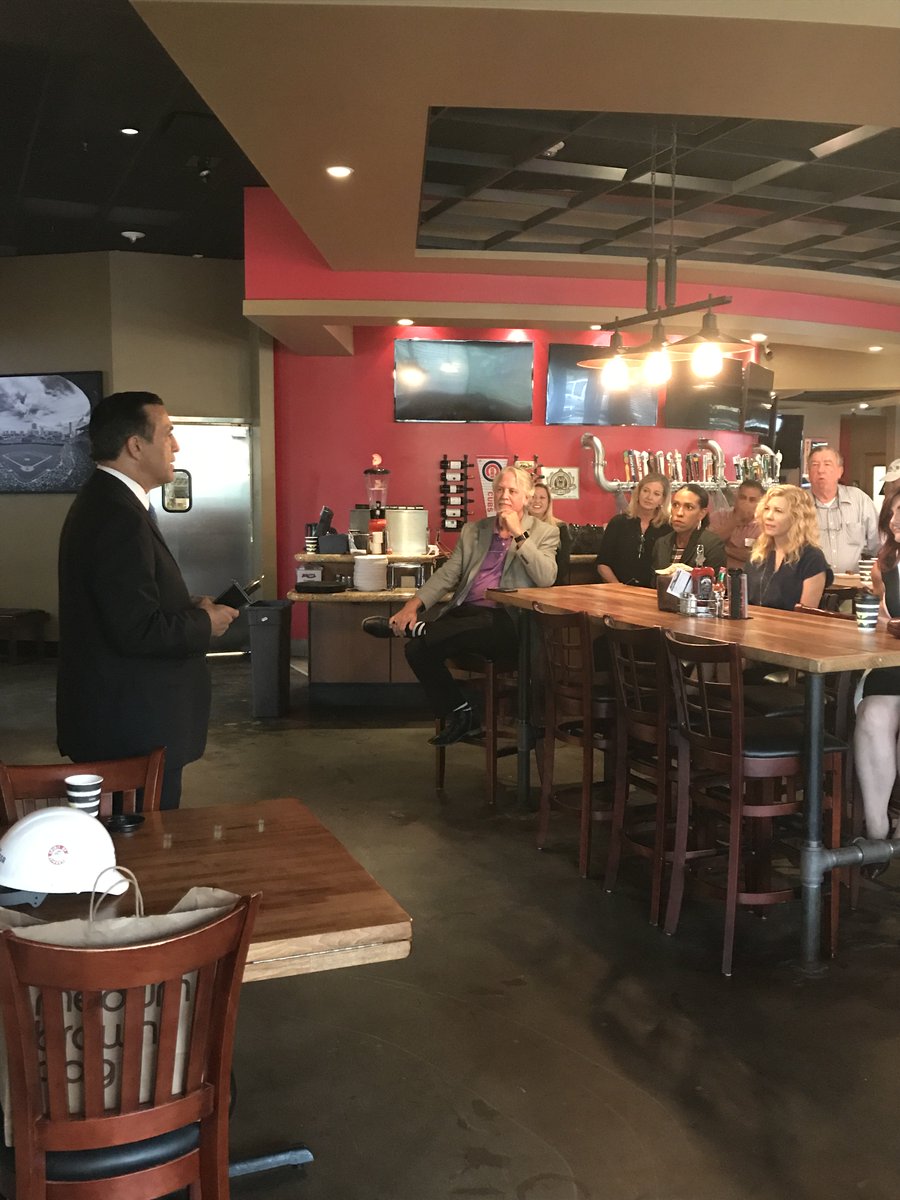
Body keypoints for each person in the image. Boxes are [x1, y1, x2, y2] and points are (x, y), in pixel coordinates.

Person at [56, 392, 238, 810]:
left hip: (130, 724)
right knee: (142, 842)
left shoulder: (112, 502)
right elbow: (136, 630)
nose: (176, 446)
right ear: (135, 446)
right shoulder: (116, 514)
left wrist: (186, 605)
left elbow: (124, 600)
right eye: (168, 433)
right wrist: (205, 623)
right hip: (129, 731)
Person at [362, 466, 559, 745]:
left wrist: (519, 534)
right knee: (416, 649)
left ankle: (420, 630)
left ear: (527, 498)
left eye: (513, 491)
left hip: (510, 623)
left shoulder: (545, 532)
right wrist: (412, 606)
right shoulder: (474, 531)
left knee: (481, 622)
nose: (504, 495)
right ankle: (463, 712)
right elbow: (447, 575)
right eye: (500, 489)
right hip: (467, 616)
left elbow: (546, 577)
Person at [853, 490, 900, 851]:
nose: (895, 521)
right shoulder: (888, 564)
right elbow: (885, 619)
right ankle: (877, 831)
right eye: (893, 513)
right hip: (891, 666)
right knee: (872, 714)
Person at [745, 484, 831, 610]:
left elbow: (806, 616)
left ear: (796, 517)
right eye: (767, 509)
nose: (769, 516)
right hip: (754, 621)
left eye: (778, 511)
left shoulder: (812, 558)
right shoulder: (758, 552)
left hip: (792, 623)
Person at [806, 445, 879, 573]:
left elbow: (878, 544)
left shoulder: (859, 500)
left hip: (854, 581)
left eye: (827, 464)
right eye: (815, 465)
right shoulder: (798, 503)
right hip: (811, 582)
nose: (820, 470)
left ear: (840, 471)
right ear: (808, 472)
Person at [595, 472, 672, 587]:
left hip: (651, 592)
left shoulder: (668, 529)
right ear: (638, 493)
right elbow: (602, 564)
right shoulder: (618, 523)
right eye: (645, 491)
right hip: (616, 590)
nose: (649, 497)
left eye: (656, 494)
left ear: (662, 500)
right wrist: (619, 588)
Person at [651, 483, 726, 572]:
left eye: (689, 507)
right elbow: (654, 578)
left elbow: (713, 579)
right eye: (675, 505)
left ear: (702, 513)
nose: (679, 513)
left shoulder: (712, 545)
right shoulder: (661, 543)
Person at [708, 479, 765, 570]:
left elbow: (756, 557)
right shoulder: (718, 517)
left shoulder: (764, 526)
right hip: (717, 573)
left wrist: (724, 549)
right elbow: (709, 544)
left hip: (746, 575)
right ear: (736, 498)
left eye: (752, 500)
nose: (746, 503)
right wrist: (736, 521)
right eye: (743, 498)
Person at [529, 481, 572, 584]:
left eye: (542, 498)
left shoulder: (560, 527)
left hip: (553, 585)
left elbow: (563, 567)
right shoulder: (517, 528)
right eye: (533, 497)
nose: (537, 501)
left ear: (548, 502)